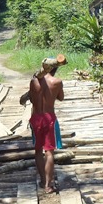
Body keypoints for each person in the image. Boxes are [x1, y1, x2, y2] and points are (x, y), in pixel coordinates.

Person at [29, 55, 66, 193]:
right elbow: (61, 98)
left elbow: (32, 99)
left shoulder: (33, 82)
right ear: (55, 68)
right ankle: (48, 185)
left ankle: (43, 180)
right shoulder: (57, 82)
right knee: (49, 152)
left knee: (38, 150)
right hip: (49, 118)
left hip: (36, 118)